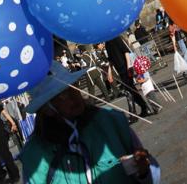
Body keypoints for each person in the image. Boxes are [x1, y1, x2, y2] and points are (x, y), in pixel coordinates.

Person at [21, 61, 160, 183]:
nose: (74, 96)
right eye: (63, 94)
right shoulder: (35, 155)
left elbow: (151, 170)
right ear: (47, 109)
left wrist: (144, 171)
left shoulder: (112, 122)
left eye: (73, 86)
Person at [105, 36, 152, 122]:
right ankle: (144, 107)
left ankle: (135, 113)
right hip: (119, 70)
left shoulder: (116, 38)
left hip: (125, 67)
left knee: (129, 90)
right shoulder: (107, 43)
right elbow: (110, 60)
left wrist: (128, 66)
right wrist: (109, 72)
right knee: (131, 89)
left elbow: (126, 51)